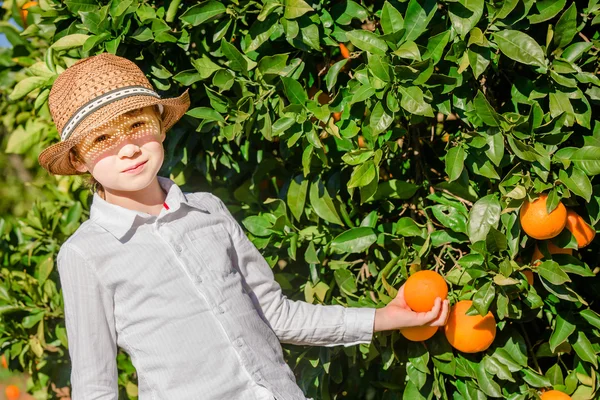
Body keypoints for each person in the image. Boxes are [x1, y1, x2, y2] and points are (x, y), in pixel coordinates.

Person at [38, 53, 449, 399]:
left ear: (161, 124)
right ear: (77, 160)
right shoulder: (87, 253)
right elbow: (96, 387)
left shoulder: (208, 212)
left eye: (136, 125)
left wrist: (383, 317)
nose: (127, 147)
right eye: (101, 139)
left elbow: (276, 314)